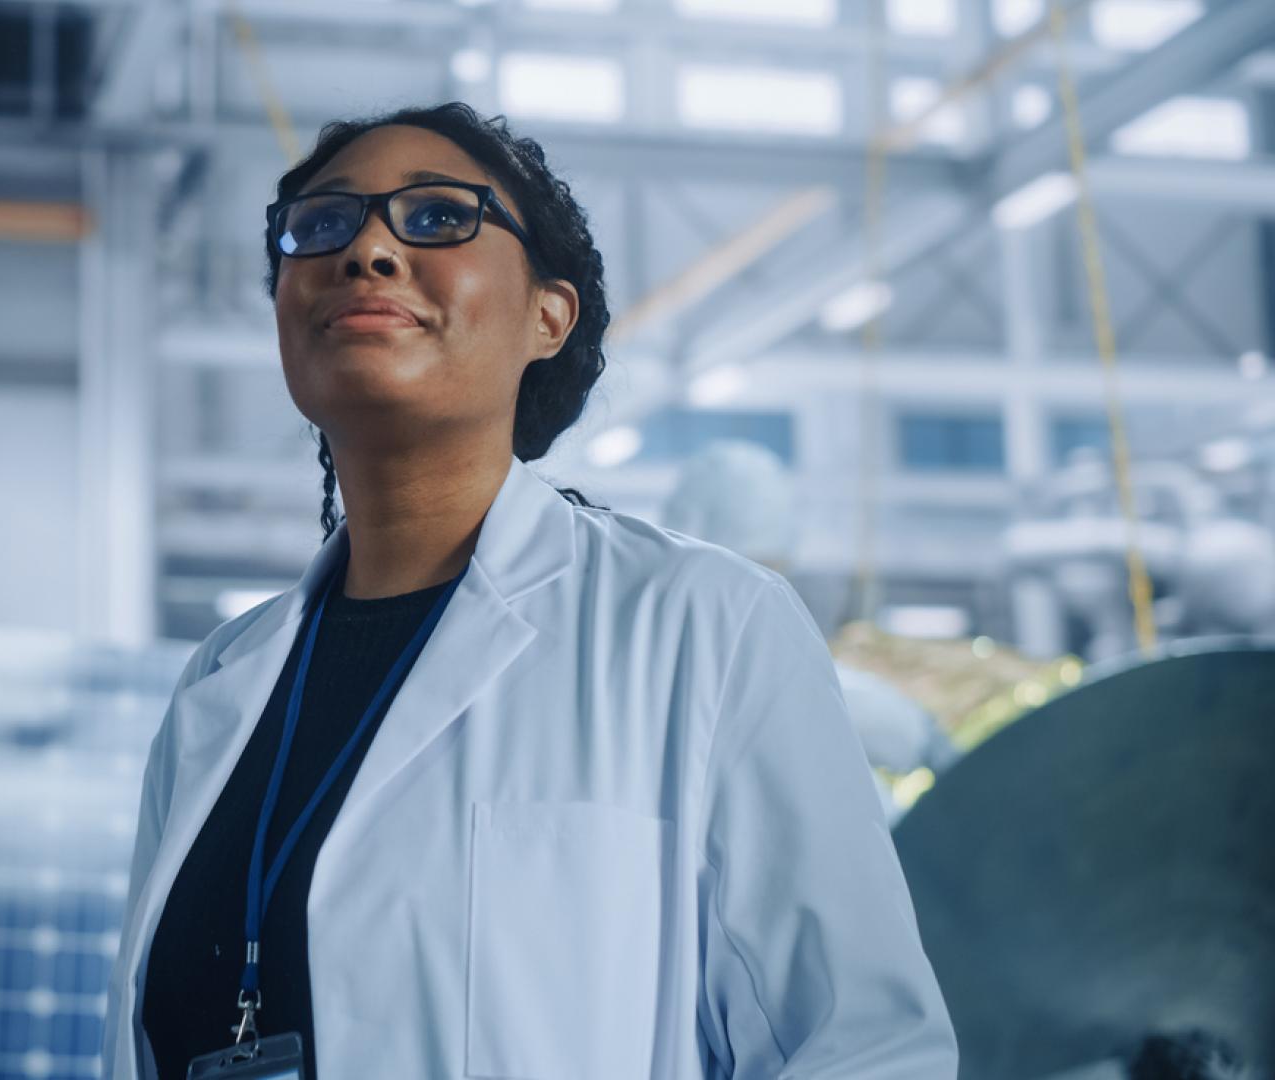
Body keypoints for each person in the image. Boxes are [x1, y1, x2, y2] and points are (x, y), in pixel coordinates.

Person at [102, 102, 956, 1080]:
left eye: (437, 217)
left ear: (547, 316)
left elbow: (862, 1049)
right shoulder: (223, 681)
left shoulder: (700, 627)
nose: (367, 247)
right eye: (320, 224)